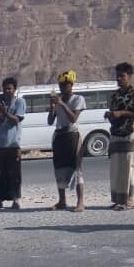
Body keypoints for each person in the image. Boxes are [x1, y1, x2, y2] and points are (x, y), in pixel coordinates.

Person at [104, 62, 134, 211]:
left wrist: (122, 113)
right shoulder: (114, 95)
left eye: (122, 76)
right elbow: (113, 113)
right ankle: (117, 200)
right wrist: (111, 116)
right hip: (116, 134)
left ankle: (129, 199)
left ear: (129, 76)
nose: (119, 79)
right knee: (116, 168)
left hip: (130, 133)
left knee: (129, 167)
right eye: (117, 76)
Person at [48, 70, 87, 212]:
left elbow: (73, 118)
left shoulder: (78, 99)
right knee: (59, 169)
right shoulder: (57, 100)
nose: (62, 87)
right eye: (60, 85)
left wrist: (62, 104)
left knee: (76, 169)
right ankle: (62, 201)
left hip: (72, 135)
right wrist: (52, 107)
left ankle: (80, 202)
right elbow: (50, 121)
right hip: (60, 136)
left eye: (65, 85)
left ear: (71, 85)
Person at [0, 77, 26, 210]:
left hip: (12, 144)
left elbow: (16, 120)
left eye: (10, 88)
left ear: (14, 90)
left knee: (14, 174)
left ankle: (16, 200)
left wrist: (6, 113)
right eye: (5, 88)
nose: (7, 91)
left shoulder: (19, 102)